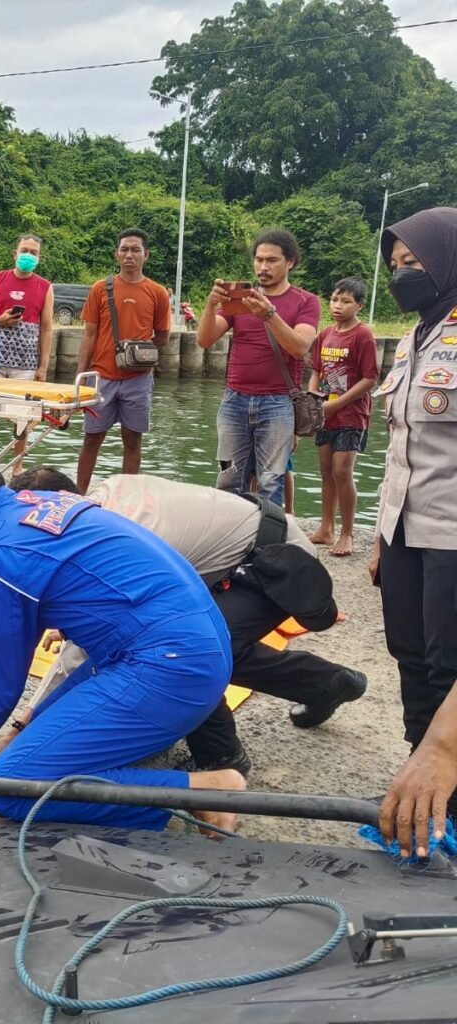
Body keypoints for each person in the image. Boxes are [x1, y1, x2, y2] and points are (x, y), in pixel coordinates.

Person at [0, 436, 244, 833]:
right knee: (17, 754)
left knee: (9, 787)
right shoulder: (35, 503)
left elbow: (0, 691)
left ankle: (203, 792)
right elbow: (1, 649)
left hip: (167, 666)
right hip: (184, 645)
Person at [4, 467, 367, 774]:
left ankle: (222, 758)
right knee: (217, 645)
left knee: (186, 651)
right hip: (247, 547)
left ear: (64, 502)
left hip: (276, 562)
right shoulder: (105, 497)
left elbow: (93, 649)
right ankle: (325, 683)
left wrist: (27, 732)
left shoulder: (116, 538)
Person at [369, 208, 457, 857]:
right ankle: (421, 795)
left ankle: (448, 796)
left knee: (450, 664)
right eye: (396, 266)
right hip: (403, 530)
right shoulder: (411, 340)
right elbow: (399, 448)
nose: (404, 275)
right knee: (412, 662)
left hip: (452, 532)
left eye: (415, 263)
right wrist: (378, 535)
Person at [197, 229, 321, 506]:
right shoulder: (240, 298)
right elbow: (205, 339)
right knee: (229, 478)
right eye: (259, 259)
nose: (263, 267)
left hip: (278, 403)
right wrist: (210, 305)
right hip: (234, 400)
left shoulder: (306, 301)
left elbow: (299, 346)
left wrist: (268, 315)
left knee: (270, 481)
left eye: (272, 260)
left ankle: (268, 543)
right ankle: (230, 540)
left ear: (290, 262)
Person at [75, 228, 171, 489]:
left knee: (132, 440)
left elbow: (163, 336)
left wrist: (137, 351)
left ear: (146, 255)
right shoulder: (100, 289)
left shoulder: (158, 292)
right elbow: (89, 335)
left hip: (138, 379)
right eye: (125, 249)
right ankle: (79, 494)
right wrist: (80, 377)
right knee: (91, 439)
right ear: (117, 254)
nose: (130, 255)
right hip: (101, 376)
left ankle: (127, 498)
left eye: (135, 249)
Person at [306, 277, 379, 556]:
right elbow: (316, 371)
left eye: (346, 301)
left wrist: (335, 405)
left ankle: (347, 533)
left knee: (341, 471)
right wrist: (314, 398)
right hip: (325, 413)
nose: (338, 305)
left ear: (359, 305)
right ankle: (326, 528)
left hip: (351, 413)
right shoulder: (325, 334)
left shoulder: (363, 335)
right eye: (335, 299)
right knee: (325, 471)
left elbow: (369, 379)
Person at [0, 233, 54, 471]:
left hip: (25, 364)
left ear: (39, 258)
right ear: (15, 253)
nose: (28, 256)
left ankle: (17, 467)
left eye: (33, 253)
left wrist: (43, 367)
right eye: (24, 251)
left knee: (22, 420)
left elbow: (46, 329)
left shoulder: (45, 287)